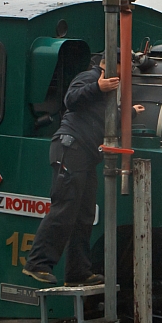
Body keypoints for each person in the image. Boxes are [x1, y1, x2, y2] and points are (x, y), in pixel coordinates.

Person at [22, 55, 143, 286]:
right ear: (107, 62)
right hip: (71, 147)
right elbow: (71, 99)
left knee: (85, 214)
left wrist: (132, 112)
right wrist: (97, 86)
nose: (125, 70)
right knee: (65, 206)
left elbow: (103, 120)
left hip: (86, 155)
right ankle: (37, 263)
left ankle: (78, 272)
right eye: (122, 64)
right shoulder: (89, 77)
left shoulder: (108, 90)